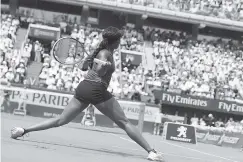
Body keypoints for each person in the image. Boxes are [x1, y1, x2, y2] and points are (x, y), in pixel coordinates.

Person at [11, 27, 164, 161]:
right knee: (124, 122)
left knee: (61, 120)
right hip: (96, 89)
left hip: (83, 87)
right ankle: (151, 152)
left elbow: (83, 67)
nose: (120, 43)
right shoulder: (105, 53)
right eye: (119, 40)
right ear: (115, 41)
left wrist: (95, 62)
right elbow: (98, 71)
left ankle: (23, 130)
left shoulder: (99, 52)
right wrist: (103, 65)